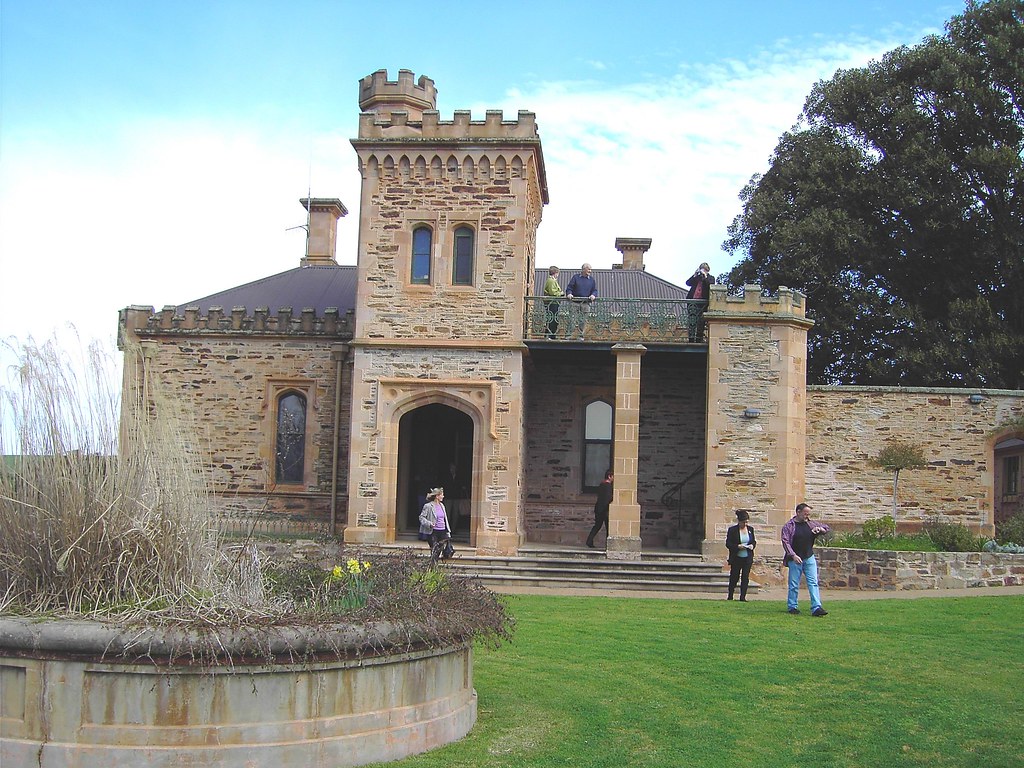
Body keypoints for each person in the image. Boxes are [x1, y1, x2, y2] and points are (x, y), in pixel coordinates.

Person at [781, 502, 830, 616]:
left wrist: (820, 530)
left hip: (809, 557)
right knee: (794, 584)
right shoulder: (789, 526)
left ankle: (816, 607)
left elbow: (826, 528)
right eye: (805, 513)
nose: (807, 516)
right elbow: (785, 542)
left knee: (813, 582)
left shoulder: (811, 524)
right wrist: (793, 555)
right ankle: (792, 606)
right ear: (798, 512)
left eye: (808, 514)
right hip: (795, 558)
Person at [725, 509, 756, 601]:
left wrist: (752, 546)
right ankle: (730, 595)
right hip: (737, 557)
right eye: (743, 522)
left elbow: (753, 541)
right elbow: (728, 544)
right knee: (734, 576)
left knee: (745, 577)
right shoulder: (732, 530)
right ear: (739, 521)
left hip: (747, 557)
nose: (745, 524)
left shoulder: (750, 530)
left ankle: (743, 597)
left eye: (747, 522)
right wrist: (738, 546)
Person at [419, 487, 452, 563]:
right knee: (434, 550)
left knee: (439, 550)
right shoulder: (428, 506)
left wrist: (448, 532)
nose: (443, 496)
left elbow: (445, 519)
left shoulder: (442, 505)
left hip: (442, 531)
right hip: (433, 531)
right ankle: (433, 568)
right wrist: (429, 523)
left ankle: (433, 566)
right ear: (437, 496)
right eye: (442, 495)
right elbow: (421, 517)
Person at [565, 263, 597, 340]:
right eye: (588, 269)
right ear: (583, 269)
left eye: (590, 269)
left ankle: (580, 336)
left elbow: (594, 290)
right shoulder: (576, 278)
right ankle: (568, 335)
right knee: (572, 319)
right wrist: (569, 294)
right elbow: (569, 288)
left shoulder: (592, 280)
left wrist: (593, 295)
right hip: (575, 302)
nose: (590, 271)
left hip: (586, 303)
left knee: (583, 321)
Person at [685, 262, 714, 342]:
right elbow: (688, 283)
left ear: (707, 270)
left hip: (703, 303)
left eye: (704, 269)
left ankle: (699, 339)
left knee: (701, 321)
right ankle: (691, 339)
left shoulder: (710, 278)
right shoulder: (696, 278)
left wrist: (705, 277)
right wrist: (694, 275)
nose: (703, 271)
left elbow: (710, 285)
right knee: (692, 319)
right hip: (693, 302)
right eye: (702, 269)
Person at [586, 469, 614, 548]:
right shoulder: (607, 486)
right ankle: (609, 544)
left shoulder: (601, 484)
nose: (613, 478)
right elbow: (608, 498)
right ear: (609, 476)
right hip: (604, 510)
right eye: (613, 476)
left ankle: (589, 541)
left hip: (598, 508)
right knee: (608, 527)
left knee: (597, 526)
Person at [543, 265, 564, 338]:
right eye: (557, 273)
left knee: (553, 318)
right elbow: (553, 292)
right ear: (555, 273)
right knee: (552, 319)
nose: (558, 275)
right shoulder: (551, 281)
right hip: (552, 303)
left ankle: (551, 334)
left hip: (554, 303)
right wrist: (561, 293)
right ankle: (550, 335)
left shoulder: (552, 280)